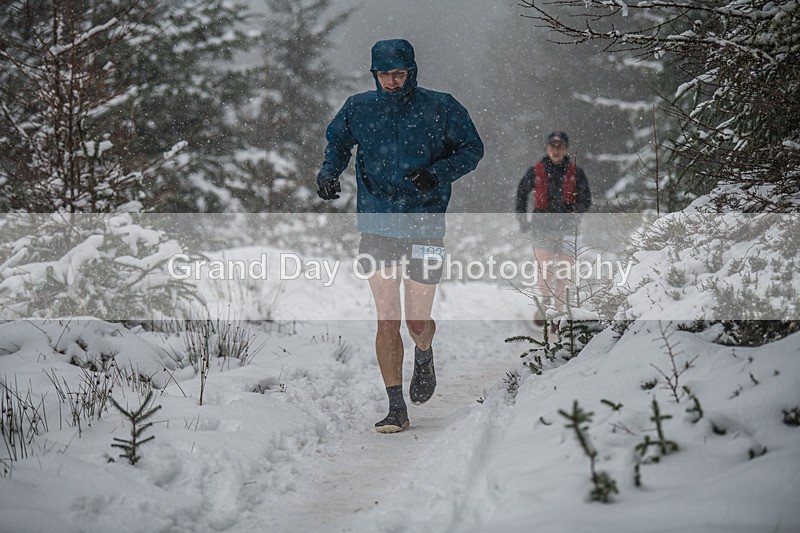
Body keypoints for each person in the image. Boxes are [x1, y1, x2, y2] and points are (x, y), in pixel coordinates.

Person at [315, 39, 483, 433]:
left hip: (425, 223)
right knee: (387, 318)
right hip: (377, 222)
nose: (391, 81)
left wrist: (436, 174)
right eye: (384, 74)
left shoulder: (440, 106)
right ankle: (395, 406)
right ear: (373, 74)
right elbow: (337, 144)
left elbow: (472, 149)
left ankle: (424, 352)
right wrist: (328, 174)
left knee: (416, 321)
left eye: (399, 73)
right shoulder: (359, 107)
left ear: (412, 71)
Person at [515, 131, 591, 326]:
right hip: (541, 226)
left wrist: (574, 210)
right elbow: (521, 194)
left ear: (566, 148)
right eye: (553, 146)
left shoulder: (576, 172)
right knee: (545, 267)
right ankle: (546, 302)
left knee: (564, 271)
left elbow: (586, 200)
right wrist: (523, 221)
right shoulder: (535, 170)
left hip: (567, 228)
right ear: (547, 148)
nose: (556, 150)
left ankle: (559, 313)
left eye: (560, 146)